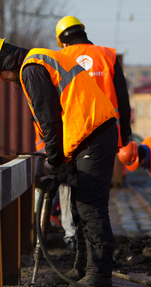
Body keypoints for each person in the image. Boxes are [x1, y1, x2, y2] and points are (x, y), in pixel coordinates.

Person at [0, 37, 118, 287]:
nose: (3, 80)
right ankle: (83, 268)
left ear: (3, 64)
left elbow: (49, 121)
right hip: (88, 134)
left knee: (90, 207)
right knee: (78, 205)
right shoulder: (39, 60)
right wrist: (60, 162)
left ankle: (99, 275)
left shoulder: (31, 70)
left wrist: (53, 163)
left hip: (92, 134)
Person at [55, 15, 133, 250]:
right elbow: (123, 100)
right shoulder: (107, 56)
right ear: (83, 32)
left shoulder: (60, 58)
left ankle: (72, 239)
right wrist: (126, 136)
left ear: (63, 41)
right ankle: (94, 250)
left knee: (69, 188)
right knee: (97, 198)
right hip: (105, 136)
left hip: (71, 137)